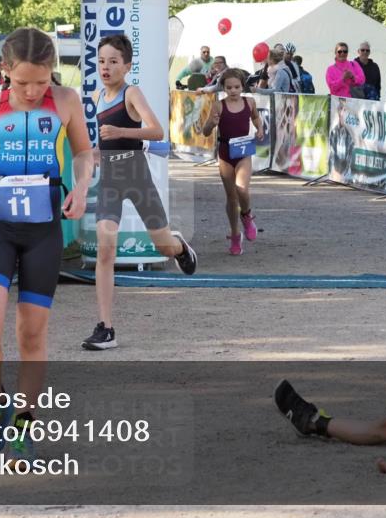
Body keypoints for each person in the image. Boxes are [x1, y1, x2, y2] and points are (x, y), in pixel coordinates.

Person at [0, 27, 93, 468]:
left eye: (41, 82)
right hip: (0, 230)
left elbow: (85, 153)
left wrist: (82, 187)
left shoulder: (65, 103)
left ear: (53, 74)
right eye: (22, 82)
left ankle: (25, 424)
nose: (31, 91)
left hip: (44, 232)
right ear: (5, 70)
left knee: (31, 333)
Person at [84, 34, 198, 351]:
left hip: (136, 174)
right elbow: (105, 141)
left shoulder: (131, 93)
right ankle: (106, 328)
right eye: (101, 61)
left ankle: (179, 247)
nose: (105, 67)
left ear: (127, 65)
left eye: (113, 62)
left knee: (163, 247)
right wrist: (96, 151)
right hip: (109, 177)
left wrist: (121, 131)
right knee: (105, 249)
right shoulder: (96, 97)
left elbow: (156, 130)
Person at [201, 68, 266, 256]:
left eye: (237, 87)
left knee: (242, 188)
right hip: (225, 152)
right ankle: (235, 234)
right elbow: (205, 131)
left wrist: (259, 128)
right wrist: (212, 123)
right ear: (223, 88)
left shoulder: (249, 102)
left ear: (242, 86)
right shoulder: (218, 106)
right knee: (231, 197)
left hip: (243, 151)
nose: (233, 91)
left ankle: (246, 215)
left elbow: (255, 117)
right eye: (229, 87)